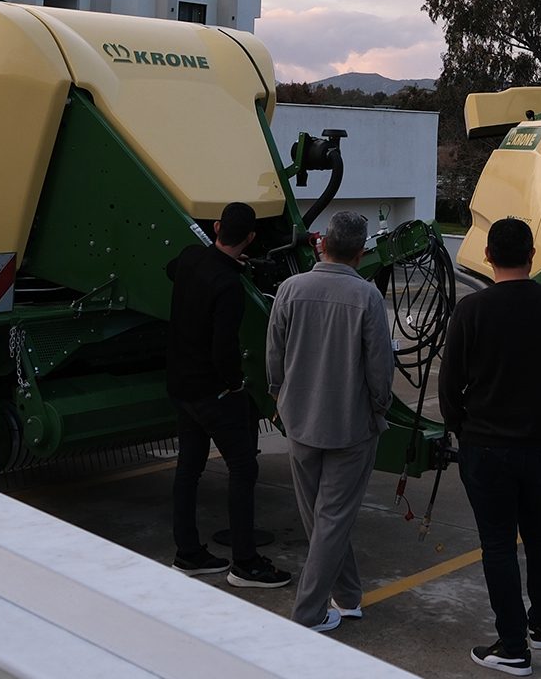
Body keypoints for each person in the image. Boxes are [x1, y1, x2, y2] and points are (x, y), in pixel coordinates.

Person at [439, 217, 541, 676]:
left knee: (498, 545)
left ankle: (511, 646)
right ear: (532, 253)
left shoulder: (473, 310)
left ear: (487, 255)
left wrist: (462, 427)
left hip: (486, 446)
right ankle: (540, 627)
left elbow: (449, 385)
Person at [266, 210, 394, 632]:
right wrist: (380, 406)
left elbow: (274, 355)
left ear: (323, 245)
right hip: (350, 425)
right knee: (333, 519)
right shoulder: (368, 298)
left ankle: (349, 595)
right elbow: (379, 366)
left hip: (300, 420)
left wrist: (279, 397)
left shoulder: (290, 289)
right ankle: (308, 613)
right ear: (360, 254)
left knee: (320, 518)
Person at [164, 202, 291, 588]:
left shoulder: (189, 259)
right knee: (242, 469)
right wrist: (235, 384)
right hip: (214, 392)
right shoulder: (229, 286)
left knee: (189, 468)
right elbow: (223, 348)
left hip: (181, 387)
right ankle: (245, 562)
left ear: (217, 227)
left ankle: (188, 553)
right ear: (250, 237)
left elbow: (173, 270)